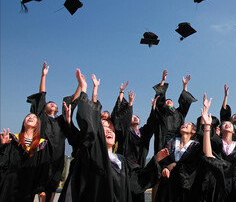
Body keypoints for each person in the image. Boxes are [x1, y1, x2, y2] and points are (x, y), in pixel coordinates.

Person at [58, 69, 168, 202]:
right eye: (103, 128)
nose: (109, 130)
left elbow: (137, 181)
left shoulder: (121, 161)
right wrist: (85, 90)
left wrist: (156, 160)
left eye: (110, 128)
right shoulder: (91, 155)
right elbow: (89, 125)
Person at [26, 62, 80, 202]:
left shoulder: (61, 121)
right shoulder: (42, 119)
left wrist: (80, 84)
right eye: (50, 104)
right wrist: (43, 76)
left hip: (57, 157)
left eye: (54, 105)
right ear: (44, 109)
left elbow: (72, 102)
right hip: (42, 155)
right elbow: (41, 95)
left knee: (51, 189)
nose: (53, 104)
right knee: (39, 187)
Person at [0, 112, 59, 202]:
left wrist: (41, 189)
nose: (30, 117)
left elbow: (43, 168)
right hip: (8, 185)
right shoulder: (12, 140)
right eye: (28, 116)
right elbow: (2, 162)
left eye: (34, 117)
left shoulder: (42, 145)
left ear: (37, 124)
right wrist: (3, 146)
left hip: (28, 186)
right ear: (24, 123)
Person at [153, 70, 197, 154]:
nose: (168, 101)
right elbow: (159, 99)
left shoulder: (179, 112)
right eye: (166, 101)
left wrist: (185, 85)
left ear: (173, 104)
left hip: (177, 139)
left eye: (170, 101)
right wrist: (163, 80)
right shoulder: (161, 112)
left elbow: (184, 101)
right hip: (163, 139)